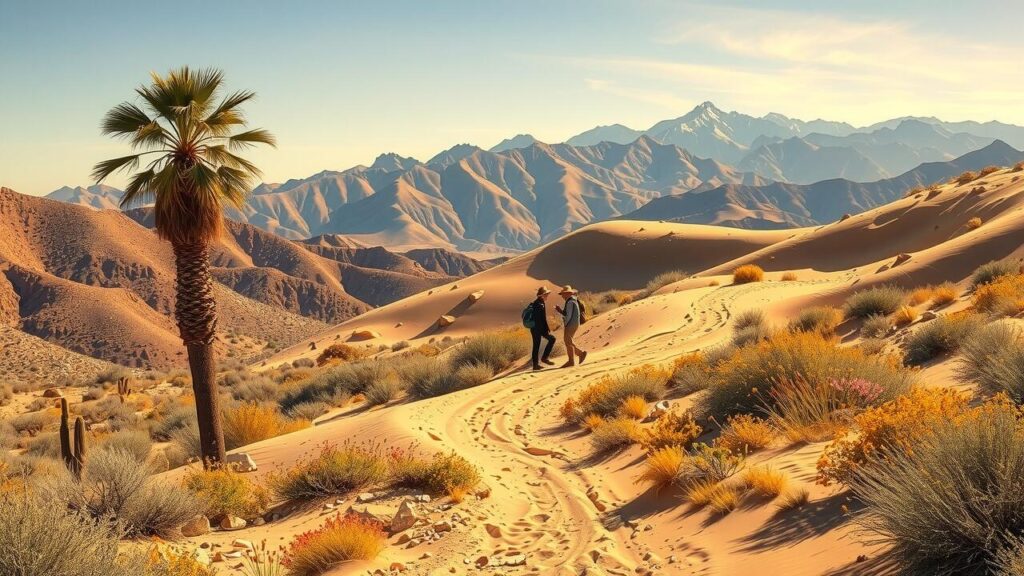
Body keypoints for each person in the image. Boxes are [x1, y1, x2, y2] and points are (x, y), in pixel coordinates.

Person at [555, 285, 588, 367]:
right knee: (568, 341)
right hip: (574, 323)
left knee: (568, 341)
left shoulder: (570, 302)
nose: (562, 296)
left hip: (570, 324)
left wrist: (565, 324)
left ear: (568, 293)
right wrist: (560, 311)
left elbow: (568, 316)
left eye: (563, 294)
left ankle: (574, 359)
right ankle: (577, 356)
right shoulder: (573, 301)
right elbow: (567, 313)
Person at [528, 286, 556, 370]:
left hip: (538, 329)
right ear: (542, 295)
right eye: (546, 294)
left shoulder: (541, 302)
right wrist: (544, 330)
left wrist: (545, 329)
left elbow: (542, 319)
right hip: (536, 329)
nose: (547, 295)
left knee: (550, 340)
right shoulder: (538, 304)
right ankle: (536, 365)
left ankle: (543, 359)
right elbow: (539, 319)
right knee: (537, 345)